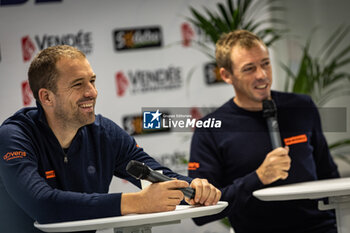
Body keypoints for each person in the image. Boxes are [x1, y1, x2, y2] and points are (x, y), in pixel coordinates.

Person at [0, 45, 221, 233]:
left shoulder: (104, 133)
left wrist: (193, 188)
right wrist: (137, 202)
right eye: (78, 84)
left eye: (92, 81)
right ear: (46, 97)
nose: (92, 92)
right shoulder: (15, 137)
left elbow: (153, 174)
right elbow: (44, 206)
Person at [188, 30, 340, 233]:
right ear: (226, 75)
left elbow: (328, 175)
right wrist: (258, 178)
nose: (262, 75)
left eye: (266, 63)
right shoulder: (211, 129)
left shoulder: (301, 106)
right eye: (249, 68)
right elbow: (202, 212)